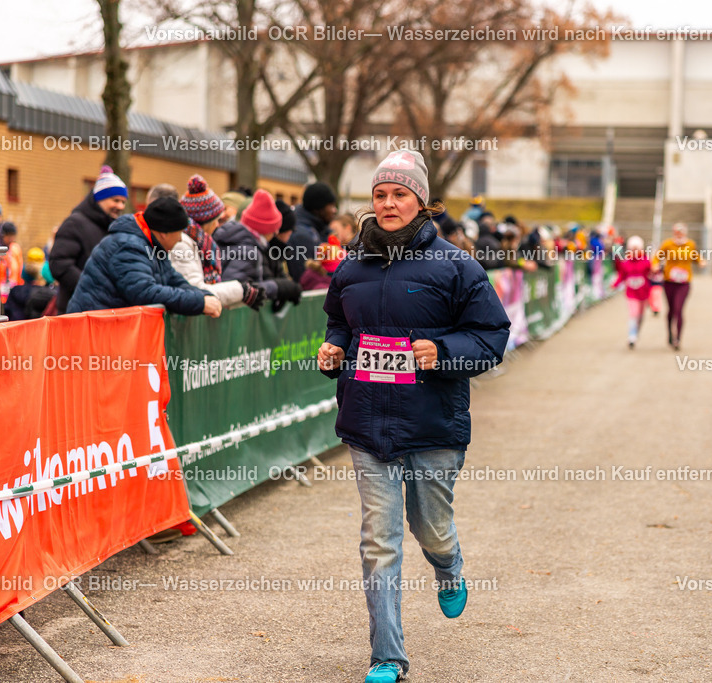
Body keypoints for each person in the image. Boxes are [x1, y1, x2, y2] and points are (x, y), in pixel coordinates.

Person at [318, 150, 509, 683]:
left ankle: (448, 565)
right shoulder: (352, 265)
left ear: (420, 202)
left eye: (399, 194)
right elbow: (339, 322)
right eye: (380, 194)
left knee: (430, 528)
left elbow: (492, 336)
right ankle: (387, 657)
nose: (388, 203)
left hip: (432, 425)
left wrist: (442, 352)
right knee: (379, 542)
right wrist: (334, 350)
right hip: (367, 424)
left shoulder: (455, 265)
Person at [67, 196, 221, 318]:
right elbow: (144, 292)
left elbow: (174, 280)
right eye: (179, 233)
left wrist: (204, 296)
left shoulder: (152, 244)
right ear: (164, 233)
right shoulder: (128, 246)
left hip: (108, 330)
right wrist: (199, 303)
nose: (181, 239)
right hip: (92, 333)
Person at [173, 175, 264, 310]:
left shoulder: (202, 243)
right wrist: (241, 291)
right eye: (216, 220)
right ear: (206, 221)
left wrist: (242, 295)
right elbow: (195, 291)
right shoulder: (182, 244)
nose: (217, 225)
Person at [49, 165, 127, 313]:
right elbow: (59, 264)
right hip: (77, 311)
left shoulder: (113, 227)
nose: (120, 206)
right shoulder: (75, 223)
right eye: (115, 200)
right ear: (99, 198)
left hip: (105, 309)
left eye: (123, 202)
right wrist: (92, 287)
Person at [213, 189, 302, 310]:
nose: (276, 232)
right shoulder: (248, 250)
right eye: (274, 228)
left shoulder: (239, 240)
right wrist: (277, 287)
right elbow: (237, 290)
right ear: (266, 229)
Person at [655, 223, 702, 351]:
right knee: (671, 310)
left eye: (681, 233)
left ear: (685, 233)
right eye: (677, 232)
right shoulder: (667, 244)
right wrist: (655, 265)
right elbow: (657, 257)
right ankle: (670, 333)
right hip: (669, 282)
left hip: (684, 283)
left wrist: (701, 261)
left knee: (678, 309)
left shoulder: (690, 245)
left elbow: (695, 257)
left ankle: (678, 339)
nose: (679, 235)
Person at [286, 182, 338, 281]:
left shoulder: (320, 229)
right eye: (331, 206)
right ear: (319, 209)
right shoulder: (301, 236)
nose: (334, 210)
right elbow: (306, 280)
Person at [614, 236, 653, 349]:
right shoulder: (625, 263)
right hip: (631, 293)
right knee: (633, 314)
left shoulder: (646, 261)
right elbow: (622, 275)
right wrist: (615, 284)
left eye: (637, 249)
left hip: (643, 292)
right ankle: (631, 336)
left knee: (640, 316)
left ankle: (636, 332)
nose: (635, 252)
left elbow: (651, 274)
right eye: (632, 249)